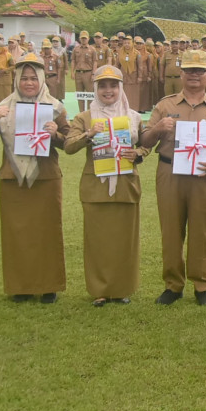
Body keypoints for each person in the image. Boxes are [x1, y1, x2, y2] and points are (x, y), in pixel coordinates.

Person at [140, 50, 206, 306]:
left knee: (202, 231)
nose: (194, 75)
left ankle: (202, 285)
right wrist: (159, 128)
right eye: (190, 70)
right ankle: (173, 285)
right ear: (181, 73)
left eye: (200, 70)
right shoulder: (165, 106)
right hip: (170, 173)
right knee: (171, 230)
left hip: (205, 175)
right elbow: (145, 140)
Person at [0, 53, 69, 303]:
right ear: (16, 79)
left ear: (42, 80)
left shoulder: (56, 107)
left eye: (34, 78)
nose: (29, 83)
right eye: (24, 78)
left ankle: (49, 286)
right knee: (16, 233)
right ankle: (21, 287)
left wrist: (56, 133)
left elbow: (69, 142)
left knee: (48, 231)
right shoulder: (4, 107)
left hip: (46, 178)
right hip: (13, 179)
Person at [64, 65, 145, 306]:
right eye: (102, 86)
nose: (108, 91)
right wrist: (88, 134)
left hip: (125, 185)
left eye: (113, 85)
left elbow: (147, 143)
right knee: (97, 241)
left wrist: (138, 153)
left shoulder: (134, 117)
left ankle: (122, 289)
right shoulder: (84, 117)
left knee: (124, 240)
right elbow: (68, 146)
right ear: (95, 89)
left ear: (121, 88)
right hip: (96, 187)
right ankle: (99, 290)